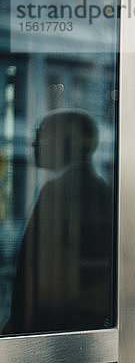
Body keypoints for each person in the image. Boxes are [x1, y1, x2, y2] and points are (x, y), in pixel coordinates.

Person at [3, 109, 113, 336]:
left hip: (54, 329)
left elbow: (37, 268)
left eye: (41, 135)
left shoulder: (58, 191)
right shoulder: (101, 189)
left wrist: (18, 325)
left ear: (66, 141)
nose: (33, 144)